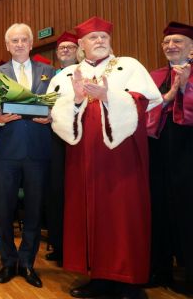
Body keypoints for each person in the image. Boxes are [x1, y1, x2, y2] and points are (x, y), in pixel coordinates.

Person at [48, 16, 162, 299]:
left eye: (104, 37)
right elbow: (55, 114)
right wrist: (75, 100)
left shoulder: (129, 65)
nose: (99, 41)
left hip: (122, 158)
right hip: (82, 157)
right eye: (93, 38)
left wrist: (109, 95)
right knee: (87, 212)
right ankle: (97, 276)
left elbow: (145, 100)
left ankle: (129, 280)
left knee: (125, 213)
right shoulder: (65, 75)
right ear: (81, 45)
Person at [0, 24, 54, 288]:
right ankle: (7, 261)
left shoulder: (48, 72)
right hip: (6, 153)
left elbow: (59, 106)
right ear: (7, 45)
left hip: (38, 151)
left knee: (34, 211)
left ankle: (27, 262)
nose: (19, 44)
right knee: (4, 210)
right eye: (14, 40)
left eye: (23, 40)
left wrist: (51, 117)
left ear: (31, 44)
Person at [146, 21, 193, 295]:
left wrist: (184, 90)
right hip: (158, 151)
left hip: (187, 153)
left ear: (191, 48)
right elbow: (145, 110)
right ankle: (160, 268)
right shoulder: (155, 75)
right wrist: (169, 95)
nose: (170, 46)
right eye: (166, 43)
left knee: (187, 212)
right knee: (158, 209)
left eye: (177, 42)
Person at [45, 31, 79, 266]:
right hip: (55, 140)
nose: (65, 50)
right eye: (61, 48)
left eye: (70, 47)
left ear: (78, 50)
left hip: (78, 139)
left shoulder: (86, 73)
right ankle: (59, 244)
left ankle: (77, 246)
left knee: (76, 192)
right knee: (56, 191)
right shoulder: (50, 77)